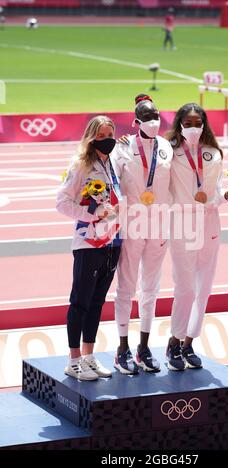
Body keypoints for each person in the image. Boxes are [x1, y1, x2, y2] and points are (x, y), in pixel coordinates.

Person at [165, 103, 228, 371]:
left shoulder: (213, 153)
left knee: (203, 289)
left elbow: (216, 191)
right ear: (179, 123)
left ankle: (189, 342)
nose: (192, 128)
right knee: (185, 287)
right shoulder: (169, 152)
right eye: (187, 123)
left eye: (197, 122)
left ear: (204, 124)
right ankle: (174, 341)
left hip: (210, 225)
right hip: (182, 225)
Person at [110, 94, 173, 374]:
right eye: (147, 118)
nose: (154, 122)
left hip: (159, 226)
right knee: (126, 286)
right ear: (136, 122)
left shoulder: (167, 148)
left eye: (156, 116)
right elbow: (110, 183)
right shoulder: (122, 148)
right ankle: (121, 348)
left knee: (152, 288)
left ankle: (143, 348)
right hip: (133, 224)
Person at [56, 115, 122, 381]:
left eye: (111, 135)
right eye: (102, 136)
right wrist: (93, 215)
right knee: (80, 302)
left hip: (114, 241)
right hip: (88, 243)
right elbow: (62, 203)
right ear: (92, 137)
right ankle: (73, 360)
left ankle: (88, 356)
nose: (108, 140)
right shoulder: (80, 165)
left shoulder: (114, 162)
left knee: (97, 302)